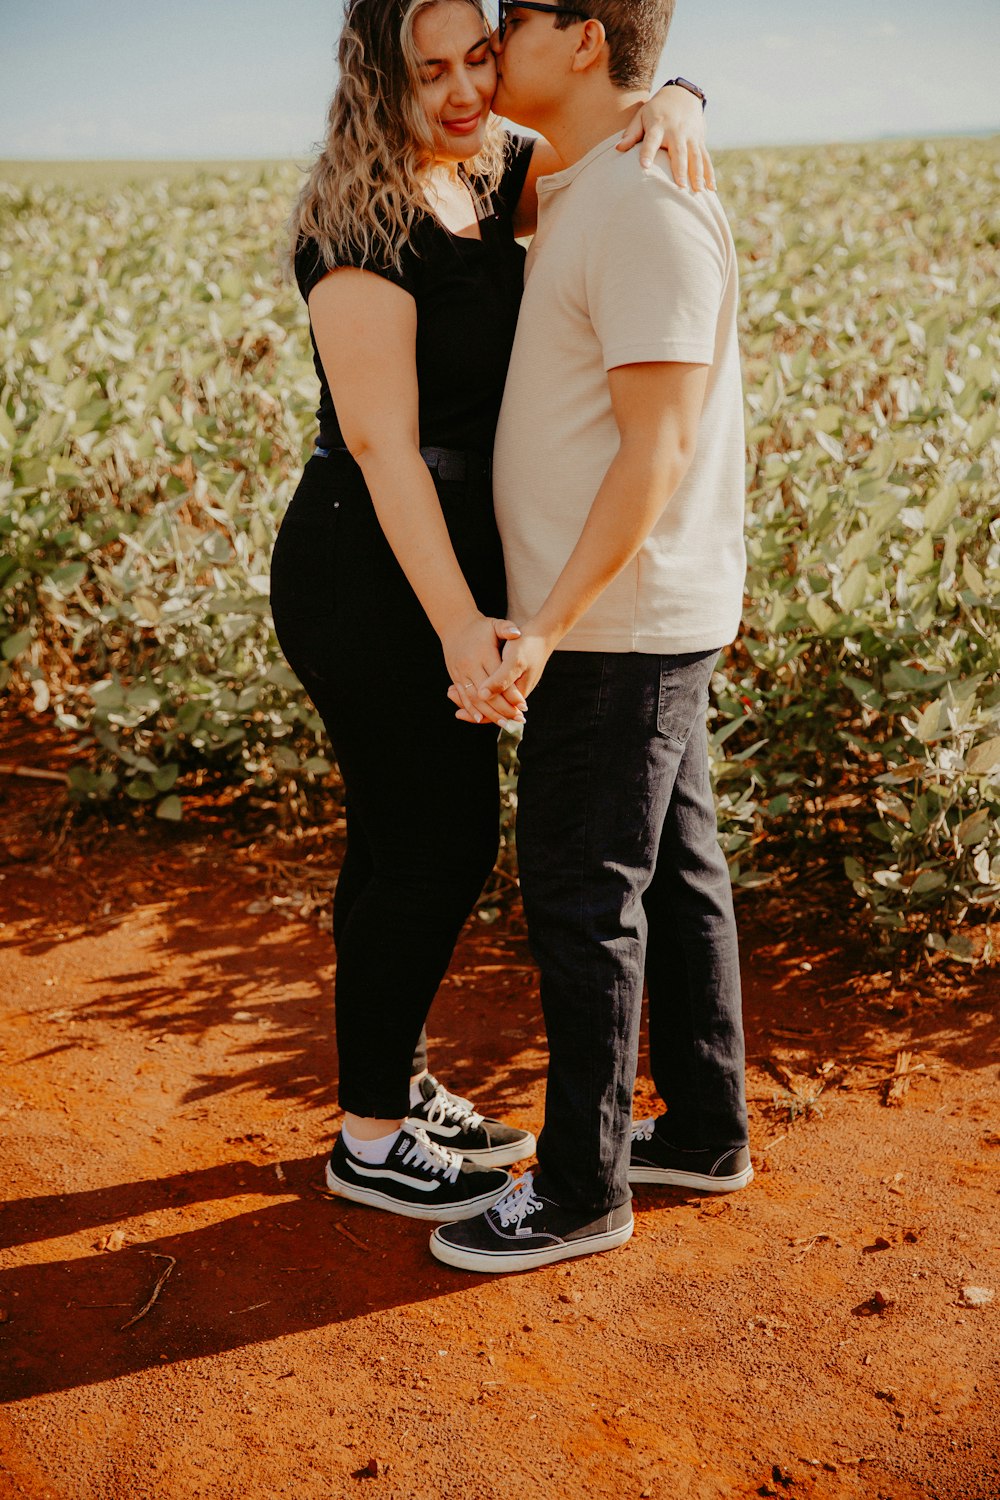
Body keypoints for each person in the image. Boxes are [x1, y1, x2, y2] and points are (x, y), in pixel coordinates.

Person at [269, 0, 714, 1222]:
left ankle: (394, 1085)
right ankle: (368, 1135)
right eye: (430, 71)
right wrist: (464, 623)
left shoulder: (485, 168)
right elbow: (382, 447)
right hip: (375, 563)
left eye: (479, 56)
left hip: (447, 559)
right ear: (376, 74)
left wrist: (681, 99)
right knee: (435, 841)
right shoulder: (355, 216)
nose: (466, 89)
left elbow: (605, 112)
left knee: (402, 835)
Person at [431, 0, 751, 1271]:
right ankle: (708, 1129)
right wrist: (684, 90)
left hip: (615, 620)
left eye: (509, 20)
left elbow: (658, 447)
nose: (490, 43)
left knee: (583, 895)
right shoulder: (587, 180)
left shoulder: (642, 205)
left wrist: (546, 628)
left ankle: (579, 1188)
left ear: (577, 39)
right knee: (671, 869)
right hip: (628, 612)